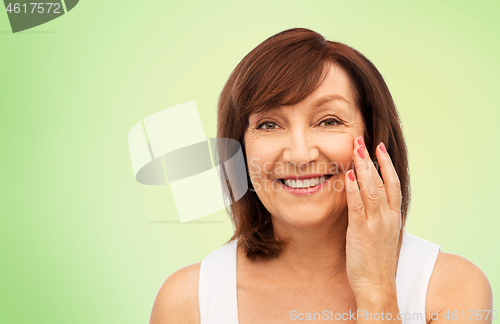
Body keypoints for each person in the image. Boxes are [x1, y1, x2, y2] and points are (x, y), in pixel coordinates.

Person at [150, 28, 492, 324]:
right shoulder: (187, 302)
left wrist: (377, 293)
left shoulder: (451, 290)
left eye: (329, 121)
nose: (300, 155)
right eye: (269, 124)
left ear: (374, 138)